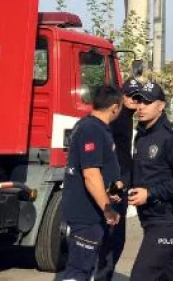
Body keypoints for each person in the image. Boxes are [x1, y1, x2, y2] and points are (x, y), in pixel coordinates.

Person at [128, 81, 173, 281]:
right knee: (168, 273)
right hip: (149, 216)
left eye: (147, 102)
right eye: (139, 101)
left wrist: (150, 194)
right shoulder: (141, 135)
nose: (141, 106)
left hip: (169, 218)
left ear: (161, 106)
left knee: (142, 275)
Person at [62, 85, 123, 281]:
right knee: (79, 270)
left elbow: (101, 173)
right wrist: (107, 208)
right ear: (115, 107)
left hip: (92, 211)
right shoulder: (91, 129)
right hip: (86, 213)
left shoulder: (95, 127)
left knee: (86, 268)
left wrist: (112, 190)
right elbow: (90, 175)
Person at [94, 79, 139, 281]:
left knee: (117, 238)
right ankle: (101, 276)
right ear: (121, 96)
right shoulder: (116, 118)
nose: (135, 100)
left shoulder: (129, 116)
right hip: (114, 184)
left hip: (123, 181)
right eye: (130, 96)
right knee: (112, 237)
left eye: (138, 97)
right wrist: (113, 185)